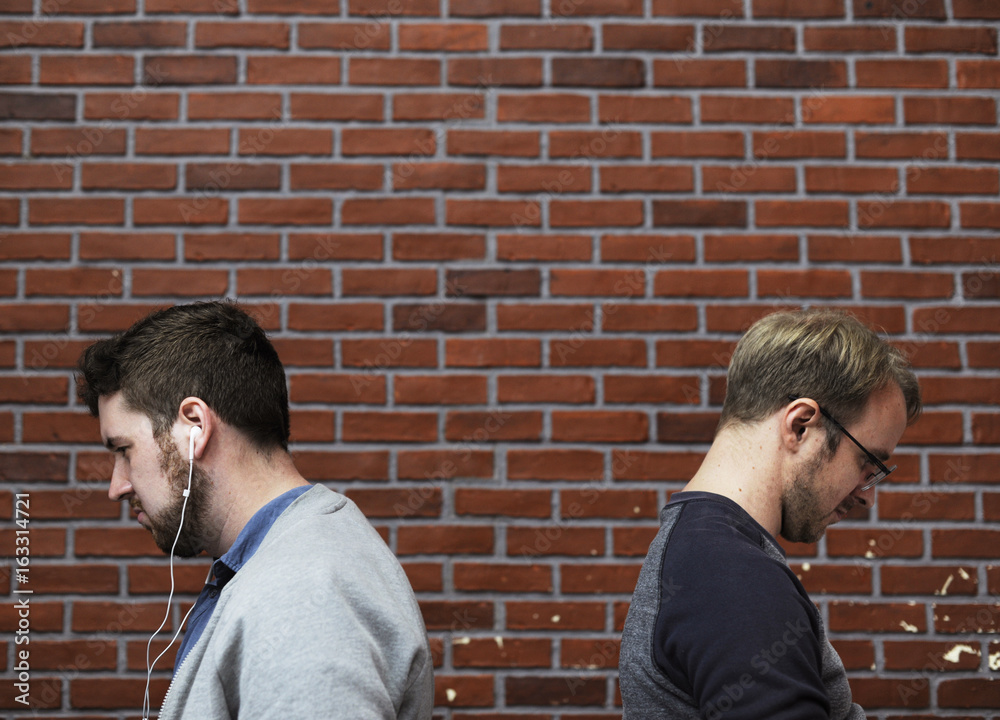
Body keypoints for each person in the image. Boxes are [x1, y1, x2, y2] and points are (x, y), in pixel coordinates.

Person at [77, 300, 434, 720]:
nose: (116, 487)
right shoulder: (291, 561)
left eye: (124, 450)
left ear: (195, 426)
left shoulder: (304, 596)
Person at [619, 308, 922, 720]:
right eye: (868, 463)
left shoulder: (701, 553)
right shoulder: (730, 579)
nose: (867, 497)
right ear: (800, 426)